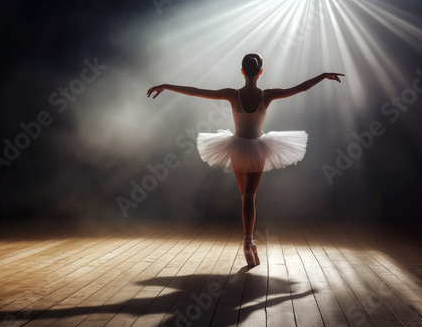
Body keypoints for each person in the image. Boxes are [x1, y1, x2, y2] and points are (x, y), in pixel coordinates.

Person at [147, 53, 344, 267]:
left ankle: (248, 240)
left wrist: (166, 85)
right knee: (250, 196)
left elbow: (196, 92)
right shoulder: (266, 95)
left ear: (242, 71)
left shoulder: (233, 95)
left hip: (237, 147)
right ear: (261, 72)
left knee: (244, 197)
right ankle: (249, 240)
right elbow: (300, 88)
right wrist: (323, 75)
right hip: (258, 146)